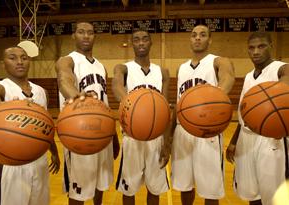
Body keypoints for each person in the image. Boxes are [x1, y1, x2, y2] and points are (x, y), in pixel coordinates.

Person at [55, 20, 119, 205]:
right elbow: (64, 79)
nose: (86, 36)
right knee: (79, 192)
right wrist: (75, 95)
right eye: (81, 32)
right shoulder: (67, 60)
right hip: (78, 133)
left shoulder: (100, 66)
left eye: (90, 32)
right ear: (73, 35)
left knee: (101, 184)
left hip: (102, 132)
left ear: (94, 36)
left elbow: (104, 102)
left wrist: (113, 134)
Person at [171, 24, 235, 205]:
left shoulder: (218, 61)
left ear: (210, 39)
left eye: (203, 35)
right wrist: (169, 138)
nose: (198, 38)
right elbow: (177, 103)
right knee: (185, 185)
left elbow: (228, 77)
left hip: (208, 131)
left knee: (210, 190)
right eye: (194, 35)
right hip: (183, 131)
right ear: (190, 40)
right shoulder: (182, 68)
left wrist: (215, 99)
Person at [0, 46, 60, 205]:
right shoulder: (1, 87)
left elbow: (44, 127)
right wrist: (0, 108)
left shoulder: (41, 91)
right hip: (10, 163)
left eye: (24, 58)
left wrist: (54, 152)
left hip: (39, 161)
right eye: (12, 58)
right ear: (3, 64)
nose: (19, 62)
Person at [226, 32, 289, 205]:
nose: (255, 51)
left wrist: (277, 98)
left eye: (261, 46)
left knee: (274, 197)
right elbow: (244, 113)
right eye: (251, 47)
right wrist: (234, 141)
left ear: (271, 46)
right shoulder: (248, 76)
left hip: (270, 140)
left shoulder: (280, 68)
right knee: (251, 193)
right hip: (246, 139)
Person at [112, 29, 171, 205]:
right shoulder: (123, 68)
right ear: (132, 44)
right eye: (136, 40)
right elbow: (116, 86)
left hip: (156, 137)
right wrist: (134, 106)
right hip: (132, 136)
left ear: (151, 43)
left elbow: (166, 109)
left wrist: (167, 143)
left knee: (155, 188)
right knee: (128, 189)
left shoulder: (162, 72)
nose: (141, 43)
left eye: (145, 39)